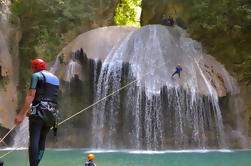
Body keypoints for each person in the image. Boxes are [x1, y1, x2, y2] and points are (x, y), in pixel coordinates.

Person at [14, 59, 60, 166]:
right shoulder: (56, 78)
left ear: (35, 67)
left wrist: (21, 115)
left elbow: (31, 95)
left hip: (39, 111)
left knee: (34, 139)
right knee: (42, 140)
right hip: (52, 113)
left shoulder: (36, 76)